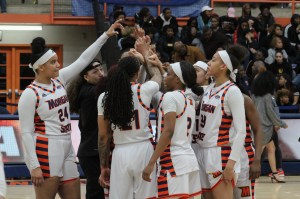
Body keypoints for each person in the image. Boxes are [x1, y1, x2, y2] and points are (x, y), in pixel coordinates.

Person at [18, 21, 123, 199]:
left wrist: (105, 36)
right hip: (47, 147)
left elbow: (83, 59)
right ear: (40, 67)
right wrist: (33, 165)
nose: (58, 65)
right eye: (53, 62)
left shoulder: (59, 80)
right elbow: (27, 133)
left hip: (67, 146)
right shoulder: (30, 94)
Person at [98, 37, 163, 199]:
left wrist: (103, 166)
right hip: (143, 149)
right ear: (136, 73)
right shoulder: (144, 90)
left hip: (120, 152)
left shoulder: (105, 97)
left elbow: (103, 137)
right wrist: (146, 55)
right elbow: (157, 76)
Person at [143, 61, 203, 198]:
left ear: (177, 79)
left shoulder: (170, 97)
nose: (165, 76)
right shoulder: (190, 99)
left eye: (168, 74)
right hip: (188, 161)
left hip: (173, 161)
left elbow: (168, 131)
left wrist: (151, 162)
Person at [194, 45, 248, 199]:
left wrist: (231, 163)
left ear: (224, 66)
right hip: (202, 152)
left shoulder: (232, 91)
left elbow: (241, 131)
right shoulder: (209, 89)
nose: (209, 63)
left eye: (213, 60)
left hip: (220, 154)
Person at [66, 59, 105, 199]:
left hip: (91, 149)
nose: (101, 73)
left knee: (98, 189)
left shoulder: (91, 91)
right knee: (95, 190)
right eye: (95, 71)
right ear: (86, 77)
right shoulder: (89, 93)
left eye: (101, 69)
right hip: (91, 151)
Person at [251, 71, 288, 183]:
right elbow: (270, 113)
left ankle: (274, 173)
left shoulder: (253, 95)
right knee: (258, 153)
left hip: (257, 126)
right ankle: (251, 174)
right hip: (265, 127)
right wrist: (281, 123)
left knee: (271, 148)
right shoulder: (267, 96)